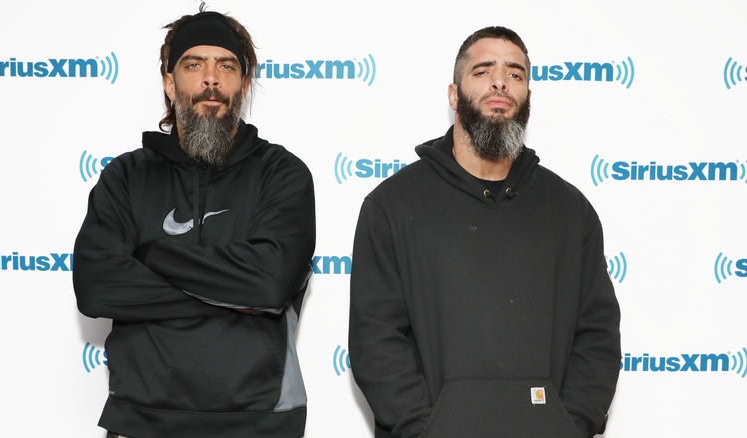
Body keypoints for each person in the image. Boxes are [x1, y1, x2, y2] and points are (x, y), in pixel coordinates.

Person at [349, 26, 620, 438]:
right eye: (483, 70)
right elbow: (376, 339)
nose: (500, 81)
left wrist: (570, 425)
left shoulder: (570, 210)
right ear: (454, 95)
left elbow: (597, 336)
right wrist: (425, 430)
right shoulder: (392, 205)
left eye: (515, 73)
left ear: (527, 96)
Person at [73, 8, 315, 438]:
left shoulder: (283, 173)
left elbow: (270, 284)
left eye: (226, 65)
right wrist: (229, 298)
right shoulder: (127, 177)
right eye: (193, 64)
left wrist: (151, 256)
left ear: (243, 84)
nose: (211, 79)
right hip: (141, 421)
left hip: (259, 421)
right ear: (170, 83)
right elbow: (96, 286)